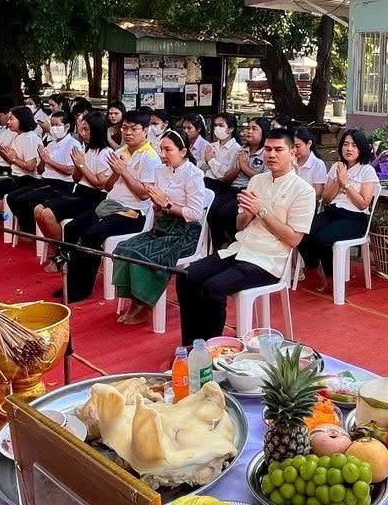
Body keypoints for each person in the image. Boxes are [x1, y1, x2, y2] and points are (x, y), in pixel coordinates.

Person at [177, 129, 315, 342]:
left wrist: (261, 210)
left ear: (292, 153)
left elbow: (294, 239)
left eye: (278, 150)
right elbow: (240, 226)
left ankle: (211, 348)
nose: (271, 154)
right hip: (240, 249)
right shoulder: (257, 180)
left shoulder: (304, 190)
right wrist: (248, 214)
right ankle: (192, 344)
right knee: (187, 276)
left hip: (268, 260)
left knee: (213, 287)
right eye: (268, 149)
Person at [58, 110, 160, 303]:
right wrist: (116, 172)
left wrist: (124, 171)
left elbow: (144, 194)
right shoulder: (119, 152)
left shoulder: (150, 157)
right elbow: (107, 186)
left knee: (91, 235)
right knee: (72, 228)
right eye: (125, 128)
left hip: (133, 212)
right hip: (110, 205)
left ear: (145, 130)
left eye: (134, 129)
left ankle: (81, 289)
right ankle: (70, 282)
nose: (128, 133)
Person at [112, 129, 207, 325]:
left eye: (168, 150)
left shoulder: (194, 174)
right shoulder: (161, 171)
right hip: (163, 224)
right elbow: (158, 203)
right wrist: (158, 205)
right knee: (123, 249)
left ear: (183, 152)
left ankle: (145, 304)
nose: (163, 154)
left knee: (143, 256)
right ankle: (135, 301)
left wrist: (167, 205)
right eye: (161, 149)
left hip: (186, 231)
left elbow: (195, 214)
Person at [297, 128, 378, 292]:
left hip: (355, 218)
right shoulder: (336, 166)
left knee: (322, 238)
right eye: (346, 144)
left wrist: (346, 184)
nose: (349, 149)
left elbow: (363, 204)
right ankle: (317, 271)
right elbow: (327, 198)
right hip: (332, 212)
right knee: (302, 231)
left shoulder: (366, 170)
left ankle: (332, 278)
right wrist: (338, 181)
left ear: (361, 148)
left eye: (354, 145)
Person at [32, 112, 113, 269]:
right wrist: (77, 164)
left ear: (96, 130)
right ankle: (59, 249)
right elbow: (76, 178)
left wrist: (81, 164)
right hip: (79, 192)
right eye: (81, 129)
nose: (82, 133)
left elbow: (99, 185)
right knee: (38, 209)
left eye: (86, 129)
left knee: (48, 214)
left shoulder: (106, 153)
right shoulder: (85, 149)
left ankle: (63, 254)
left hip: (95, 198)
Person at [3, 110, 79, 234]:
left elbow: (70, 171)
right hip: (45, 181)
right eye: (52, 125)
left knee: (23, 200)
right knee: (13, 197)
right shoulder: (51, 144)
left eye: (57, 125)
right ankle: (28, 230)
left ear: (66, 126)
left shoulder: (73, 144)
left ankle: (31, 232)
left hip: (62, 185)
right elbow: (40, 170)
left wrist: (49, 160)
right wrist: (43, 160)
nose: (53, 128)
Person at [208, 116, 270, 249]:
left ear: (264, 132)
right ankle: (217, 246)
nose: (249, 131)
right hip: (232, 187)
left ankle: (234, 242)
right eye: (248, 128)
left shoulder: (266, 153)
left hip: (250, 190)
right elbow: (228, 175)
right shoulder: (242, 149)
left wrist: (244, 166)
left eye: (254, 129)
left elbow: (262, 178)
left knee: (227, 212)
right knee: (212, 209)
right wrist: (238, 168)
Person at [0, 106, 43, 216]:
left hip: (27, 178)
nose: (8, 122)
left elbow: (31, 167)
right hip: (16, 175)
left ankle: (7, 218)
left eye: (11, 119)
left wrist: (13, 159)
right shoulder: (18, 136)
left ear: (22, 119)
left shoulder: (30, 138)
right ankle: (4, 218)